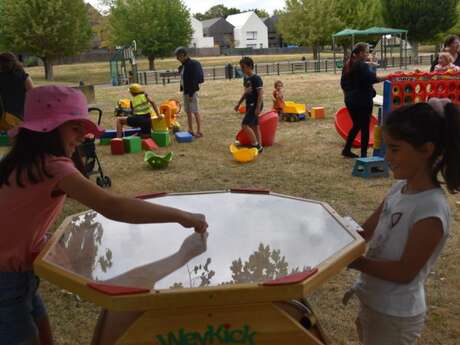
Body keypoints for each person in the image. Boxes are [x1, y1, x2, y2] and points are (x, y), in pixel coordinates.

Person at [0, 85, 208, 345]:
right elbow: (113, 206)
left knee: (41, 332)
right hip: (6, 279)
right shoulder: (54, 168)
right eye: (75, 128)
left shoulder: (24, 162)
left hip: (17, 275)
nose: (83, 136)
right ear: (48, 129)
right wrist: (182, 216)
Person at [345, 98, 459, 345]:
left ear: (426, 150)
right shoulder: (399, 189)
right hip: (372, 301)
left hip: (395, 316)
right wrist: (336, 232)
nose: (387, 157)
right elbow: (365, 231)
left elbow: (405, 272)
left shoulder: (431, 209)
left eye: (395, 149)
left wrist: (355, 261)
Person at [340, 42, 387, 158]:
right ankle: (364, 156)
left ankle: (346, 149)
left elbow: (343, 83)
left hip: (350, 100)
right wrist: (389, 77)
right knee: (365, 127)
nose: (368, 54)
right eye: (366, 52)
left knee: (357, 125)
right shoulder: (361, 66)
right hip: (362, 100)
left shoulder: (348, 64)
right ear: (360, 53)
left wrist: (347, 96)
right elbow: (373, 78)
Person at [234, 56, 264, 153]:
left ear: (250, 66)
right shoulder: (246, 79)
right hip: (249, 104)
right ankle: (260, 145)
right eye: (241, 67)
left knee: (245, 125)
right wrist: (238, 103)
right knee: (255, 125)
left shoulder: (256, 78)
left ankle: (255, 145)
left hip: (255, 105)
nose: (242, 69)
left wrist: (258, 107)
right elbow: (246, 92)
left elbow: (260, 94)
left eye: (243, 67)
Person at [175, 47, 204, 138]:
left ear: (184, 55)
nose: (178, 59)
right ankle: (190, 129)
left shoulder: (192, 64)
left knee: (195, 111)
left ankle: (199, 131)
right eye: (177, 57)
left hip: (192, 92)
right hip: (186, 91)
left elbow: (194, 80)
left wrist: (191, 93)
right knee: (188, 111)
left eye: (179, 57)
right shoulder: (184, 65)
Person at [0, 52, 34, 130]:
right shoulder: (24, 76)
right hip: (24, 116)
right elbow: (33, 95)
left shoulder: (1, 78)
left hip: (7, 117)